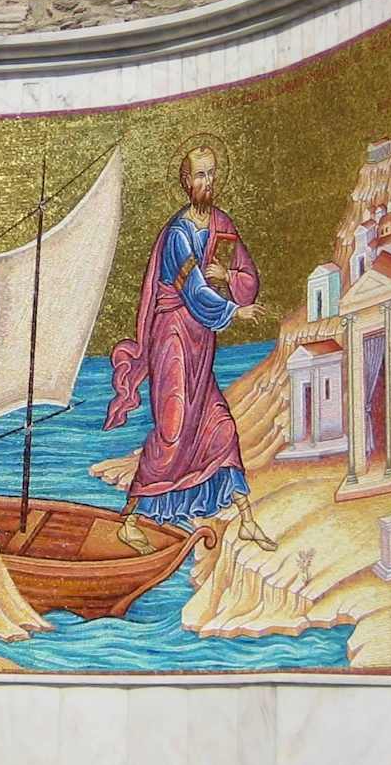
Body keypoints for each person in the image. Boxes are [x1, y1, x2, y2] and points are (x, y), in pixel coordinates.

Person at [104, 140, 277, 555]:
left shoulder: (222, 223)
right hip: (173, 337)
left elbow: (246, 275)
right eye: (200, 174)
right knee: (173, 427)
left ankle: (247, 520)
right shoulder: (178, 235)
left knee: (219, 424)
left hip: (202, 339)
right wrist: (233, 311)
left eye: (212, 173)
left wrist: (228, 277)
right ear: (186, 180)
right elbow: (192, 289)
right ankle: (130, 520)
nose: (208, 181)